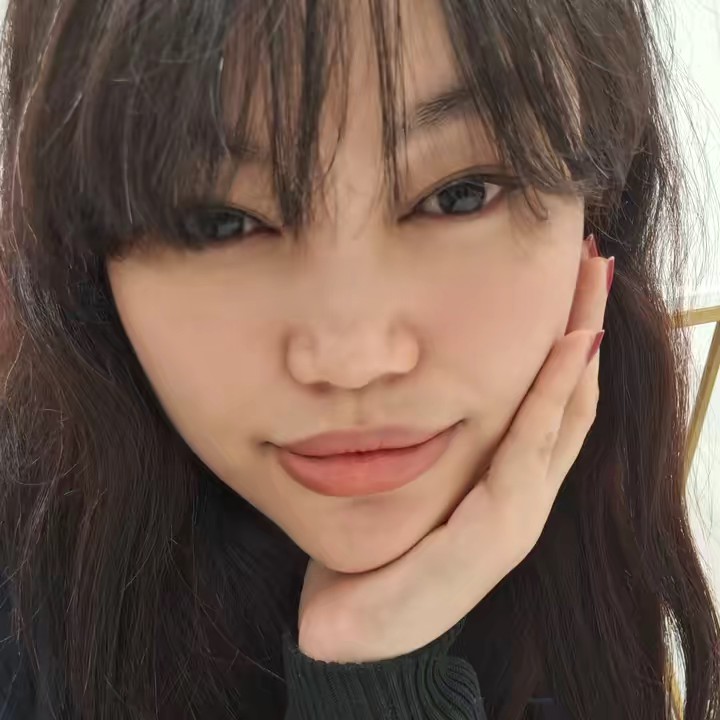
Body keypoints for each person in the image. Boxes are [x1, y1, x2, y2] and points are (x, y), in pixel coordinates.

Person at [0, 0, 717, 718]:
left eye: (459, 195)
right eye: (218, 221)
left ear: (597, 207)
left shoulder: (596, 524)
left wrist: (376, 665)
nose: (353, 360)